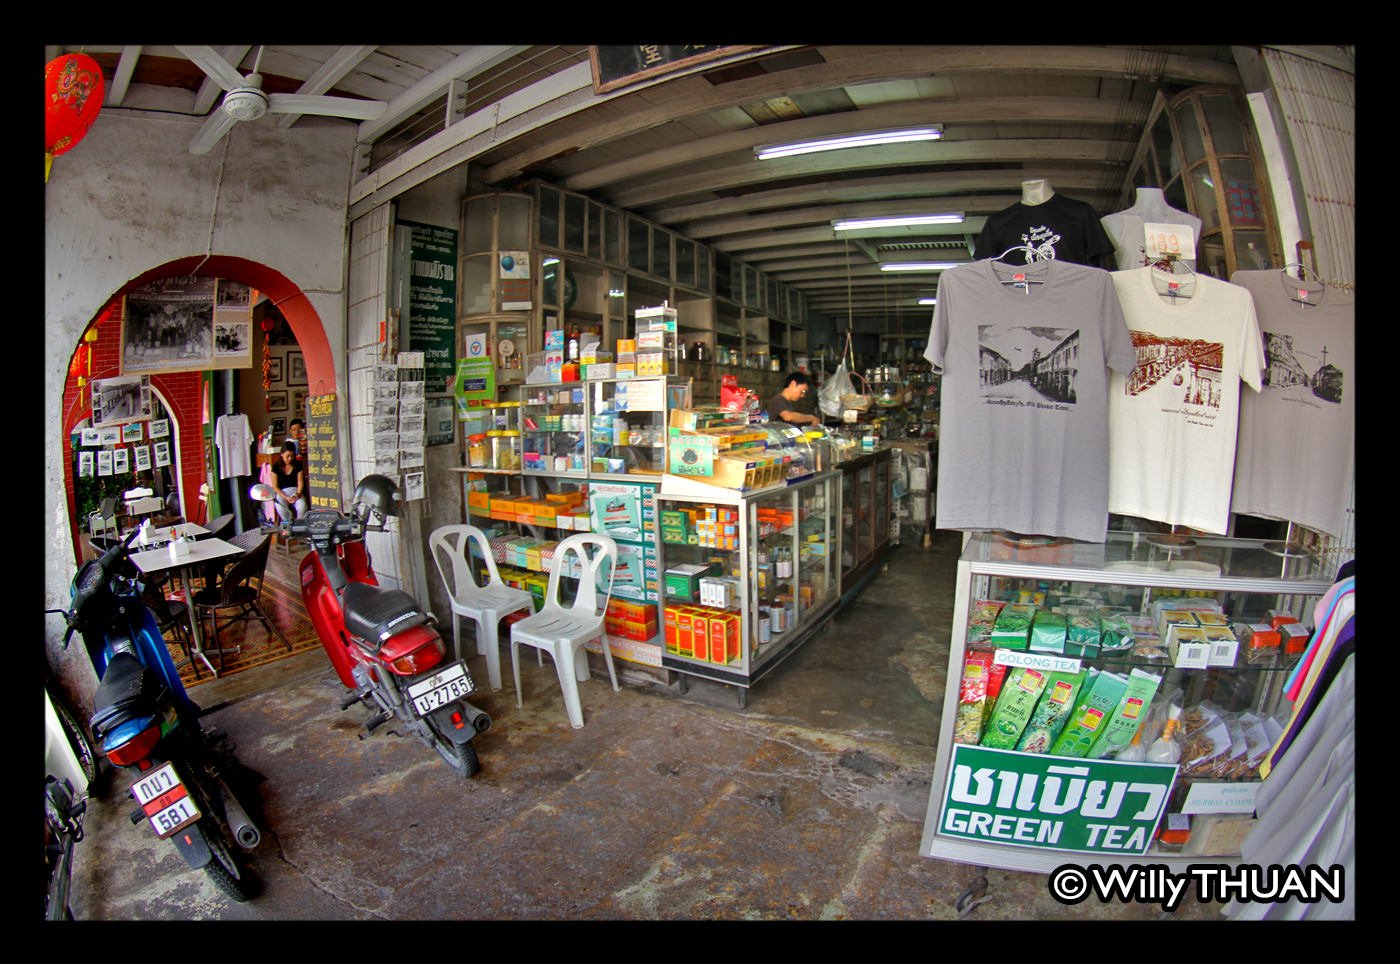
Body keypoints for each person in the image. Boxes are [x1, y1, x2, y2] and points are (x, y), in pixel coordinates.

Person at [271, 440, 308, 522]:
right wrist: (286, 497)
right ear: (282, 454)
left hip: (296, 492)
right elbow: (275, 487)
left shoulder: (297, 465)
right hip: (282, 493)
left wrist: (297, 495)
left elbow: (300, 483)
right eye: (287, 456)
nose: (290, 459)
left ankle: (299, 525)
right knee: (280, 507)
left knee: (302, 506)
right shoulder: (276, 467)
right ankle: (289, 523)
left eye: (292, 456)